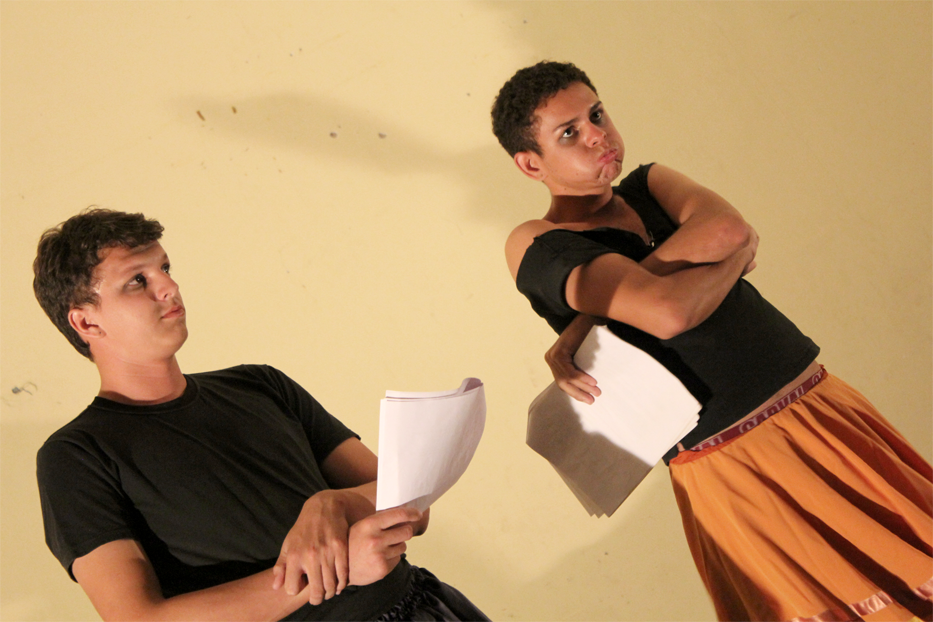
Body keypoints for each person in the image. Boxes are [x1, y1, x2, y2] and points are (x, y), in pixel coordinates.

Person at [491, 61, 932, 621]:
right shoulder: (534, 242)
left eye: (596, 115)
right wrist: (728, 261)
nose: (597, 135)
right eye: (569, 133)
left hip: (824, 407)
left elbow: (728, 230)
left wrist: (600, 315)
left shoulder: (650, 183)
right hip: (736, 463)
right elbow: (670, 312)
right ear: (531, 164)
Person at [32, 208, 489, 622]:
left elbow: (413, 503)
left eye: (165, 268)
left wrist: (332, 504)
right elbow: (139, 619)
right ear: (87, 322)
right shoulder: (76, 456)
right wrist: (338, 568)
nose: (168, 287)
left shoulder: (260, 384)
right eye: (137, 280)